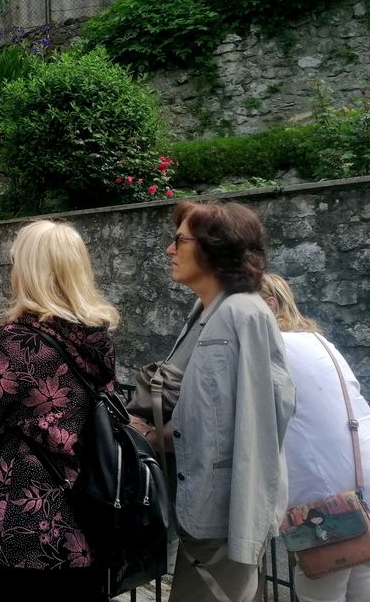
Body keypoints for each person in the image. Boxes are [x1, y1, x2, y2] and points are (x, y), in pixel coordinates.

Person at [0, 220, 120, 601]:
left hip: (10, 535)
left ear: (30, 272)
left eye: (15, 263)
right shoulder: (96, 341)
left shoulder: (16, 343)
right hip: (84, 530)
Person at [158, 201, 295, 602]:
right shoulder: (207, 310)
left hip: (222, 521)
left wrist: (245, 536)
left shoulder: (243, 315)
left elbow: (258, 427)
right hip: (200, 512)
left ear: (214, 247)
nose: (170, 249)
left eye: (179, 240)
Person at [260, 273, 370, 602]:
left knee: (320, 581)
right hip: (359, 477)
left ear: (269, 305)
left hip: (326, 491)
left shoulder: (273, 347)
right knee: (361, 571)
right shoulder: (319, 342)